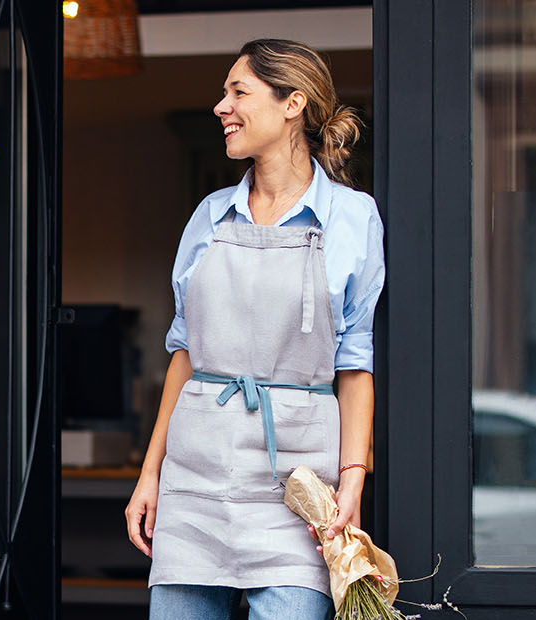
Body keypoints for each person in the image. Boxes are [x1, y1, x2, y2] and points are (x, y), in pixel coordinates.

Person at [124, 39, 386, 620]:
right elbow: (185, 353)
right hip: (194, 482)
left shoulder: (352, 217)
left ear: (293, 103)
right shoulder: (210, 215)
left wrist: (351, 482)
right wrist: (151, 474)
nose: (222, 106)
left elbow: (356, 363)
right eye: (224, 94)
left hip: (297, 488)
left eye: (238, 92)